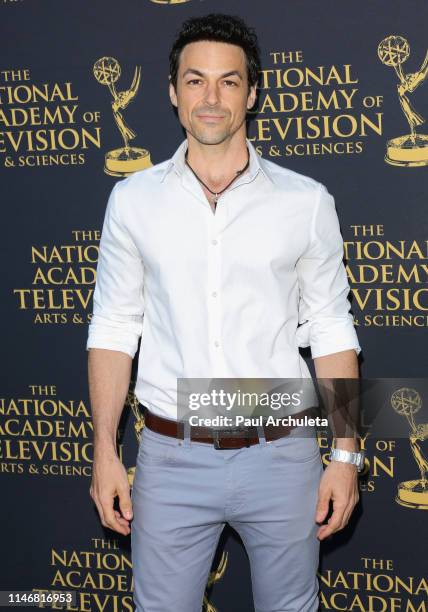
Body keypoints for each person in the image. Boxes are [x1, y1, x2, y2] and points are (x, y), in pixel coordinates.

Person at [87, 13, 363, 612]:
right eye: (195, 81)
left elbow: (332, 328)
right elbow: (113, 327)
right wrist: (104, 450)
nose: (211, 98)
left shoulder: (305, 202)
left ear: (253, 92)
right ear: (171, 91)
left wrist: (345, 454)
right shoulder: (133, 202)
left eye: (229, 82)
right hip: (169, 458)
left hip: (283, 455)